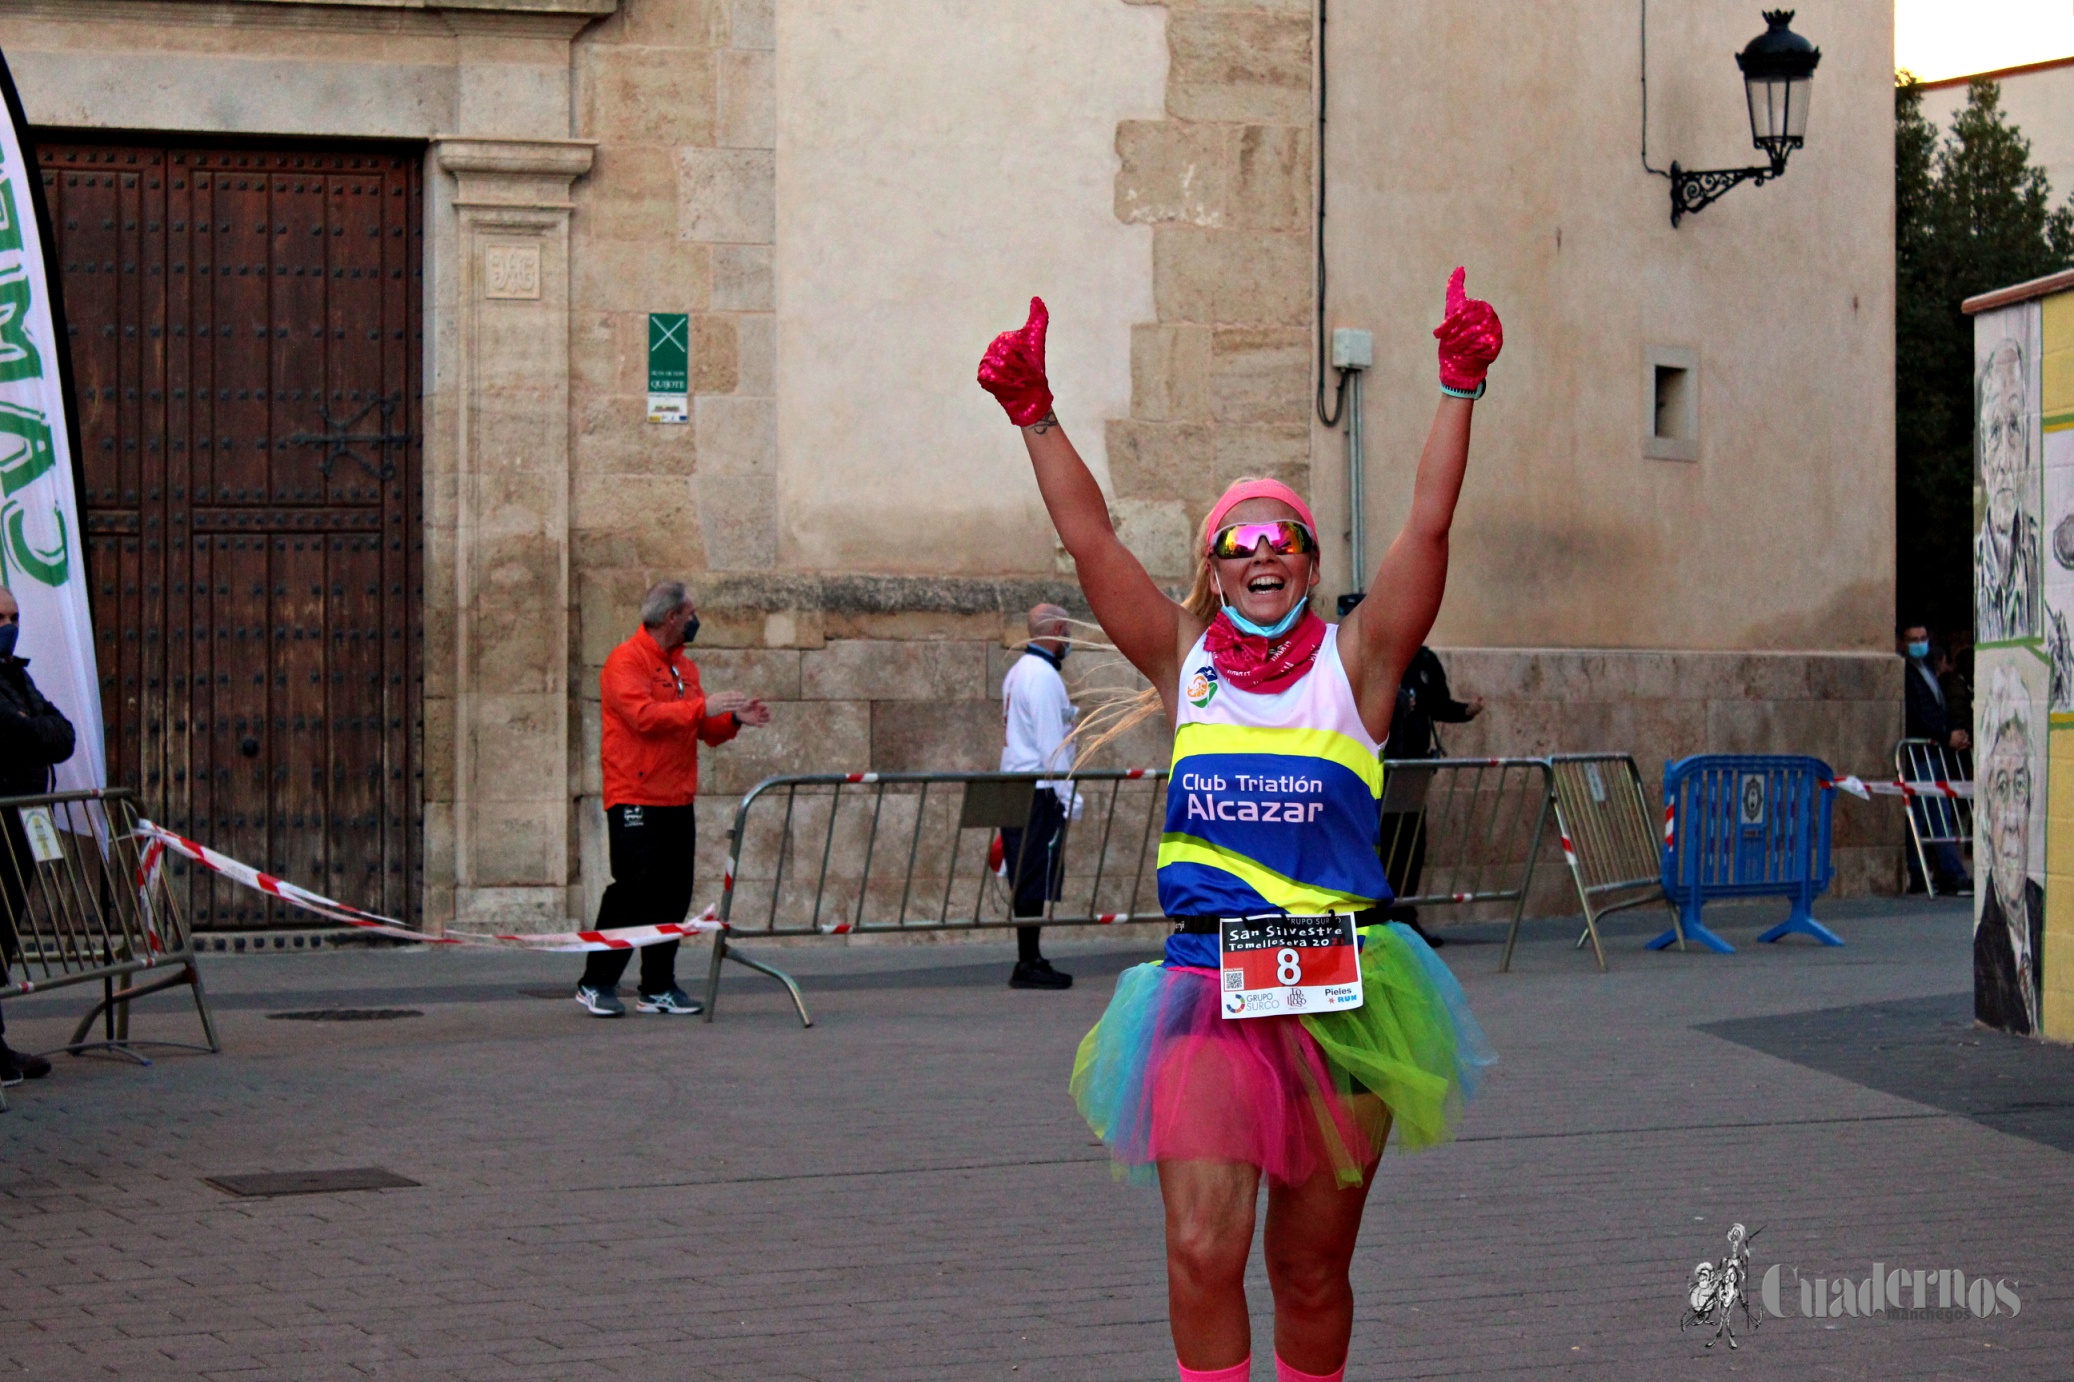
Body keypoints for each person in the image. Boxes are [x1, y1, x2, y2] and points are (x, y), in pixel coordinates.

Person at [978, 269, 1500, 1382]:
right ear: (1212, 572)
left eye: (1285, 538)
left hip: (1343, 993)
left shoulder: (1356, 664)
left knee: (1309, 1270)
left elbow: (1429, 524)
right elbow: (1088, 542)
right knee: (1199, 1247)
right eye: (1239, 541)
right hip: (1206, 988)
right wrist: (1034, 411)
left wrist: (1459, 384)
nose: (1263, 553)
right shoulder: (1184, 660)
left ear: (1310, 564)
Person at [574, 581, 770, 1018]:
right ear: (672, 618)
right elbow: (643, 718)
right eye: (691, 613)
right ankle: (596, 982)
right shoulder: (625, 661)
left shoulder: (685, 669)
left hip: (676, 797)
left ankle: (657, 986)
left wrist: (734, 719)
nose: (695, 620)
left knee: (673, 895)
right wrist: (704, 708)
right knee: (632, 891)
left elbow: (701, 729)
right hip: (634, 796)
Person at [0, 587, 73, 1086]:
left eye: (15, 615)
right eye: (0, 615)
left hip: (21, 824)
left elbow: (62, 734)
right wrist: (31, 728)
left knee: (4, 933)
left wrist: (33, 725)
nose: (9, 623)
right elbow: (11, 731)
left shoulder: (16, 674)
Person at [998, 602, 1079, 990]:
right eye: (1067, 633)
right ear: (1058, 629)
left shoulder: (1018, 672)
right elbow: (1052, 743)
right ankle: (1027, 960)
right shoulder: (1043, 676)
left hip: (1017, 781)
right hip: (1038, 787)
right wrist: (1070, 796)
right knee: (1032, 875)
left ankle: (1029, 956)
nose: (1068, 641)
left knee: (1024, 873)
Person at [1380, 646, 1484, 947]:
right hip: (1381, 768)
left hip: (1413, 769)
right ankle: (1382, 916)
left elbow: (1437, 705)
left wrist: (1464, 712)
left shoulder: (1423, 660)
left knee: (1411, 842)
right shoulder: (1378, 653)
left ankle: (1406, 916)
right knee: (1384, 842)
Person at [1899, 624, 1972, 895]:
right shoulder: (1907, 673)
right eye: (1913, 639)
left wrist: (1956, 731)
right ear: (1902, 643)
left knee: (1924, 812)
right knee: (1933, 812)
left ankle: (1925, 873)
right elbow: (1917, 714)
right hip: (1921, 752)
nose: (1919, 643)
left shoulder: (1926, 669)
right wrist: (1945, 735)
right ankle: (1950, 874)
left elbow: (1938, 708)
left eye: (1923, 638)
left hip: (1933, 750)